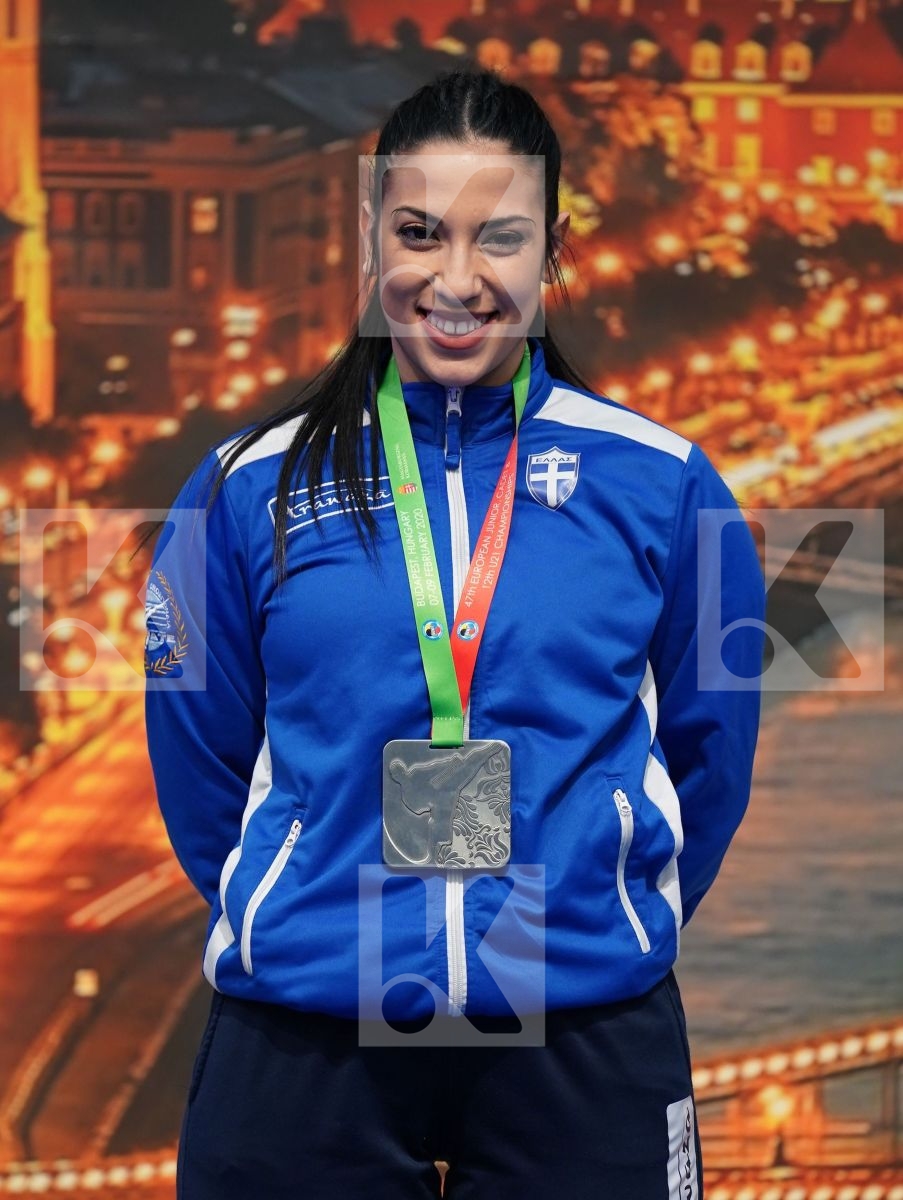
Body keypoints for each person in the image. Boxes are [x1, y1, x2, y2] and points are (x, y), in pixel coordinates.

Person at [142, 65, 766, 1200]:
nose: (459, 280)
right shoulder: (241, 489)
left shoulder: (668, 485)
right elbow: (199, 774)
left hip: (579, 1027)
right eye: (421, 233)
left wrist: (593, 914)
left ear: (554, 249)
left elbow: (712, 763)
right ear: (370, 234)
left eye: (502, 239)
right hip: (307, 1032)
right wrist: (313, 905)